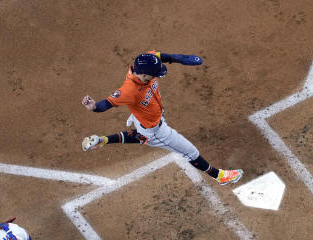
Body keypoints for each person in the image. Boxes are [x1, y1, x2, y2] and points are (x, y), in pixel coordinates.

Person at [81, 51, 243, 185]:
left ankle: (103, 140)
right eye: (154, 75)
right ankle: (219, 176)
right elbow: (107, 103)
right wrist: (94, 107)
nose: (156, 77)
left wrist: (182, 59)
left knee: (140, 134)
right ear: (144, 75)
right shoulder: (129, 91)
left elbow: (164, 56)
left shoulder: (147, 59)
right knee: (191, 152)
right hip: (156, 131)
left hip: (144, 118)